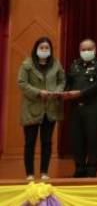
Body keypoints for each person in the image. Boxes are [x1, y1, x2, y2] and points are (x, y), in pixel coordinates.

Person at [17, 37, 65, 181]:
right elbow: (21, 83)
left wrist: (57, 91)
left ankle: (44, 172)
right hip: (32, 108)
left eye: (47, 48)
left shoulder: (56, 64)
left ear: (50, 50)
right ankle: (30, 174)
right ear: (36, 49)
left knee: (47, 142)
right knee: (30, 143)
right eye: (41, 47)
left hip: (50, 108)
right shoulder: (27, 64)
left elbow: (62, 81)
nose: (44, 50)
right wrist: (38, 92)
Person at [64, 38, 97, 178]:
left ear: (95, 50)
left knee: (92, 139)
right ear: (79, 51)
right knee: (77, 139)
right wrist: (65, 92)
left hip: (93, 107)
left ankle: (91, 169)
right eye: (83, 49)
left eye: (89, 49)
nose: (86, 52)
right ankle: (79, 168)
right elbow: (68, 82)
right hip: (76, 108)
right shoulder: (75, 65)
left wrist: (81, 93)